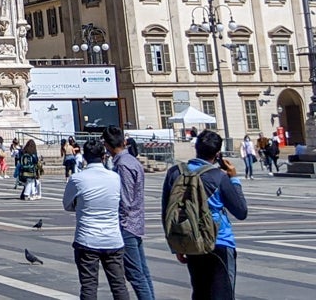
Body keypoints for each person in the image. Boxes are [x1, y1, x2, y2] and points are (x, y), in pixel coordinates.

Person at [162, 130, 248, 300]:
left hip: (190, 239)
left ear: (196, 148)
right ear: (218, 154)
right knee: (222, 294)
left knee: (200, 292)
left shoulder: (174, 172)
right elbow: (241, 211)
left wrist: (176, 245)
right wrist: (234, 179)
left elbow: (167, 211)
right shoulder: (218, 177)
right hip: (219, 241)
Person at [64, 136, 131, 300]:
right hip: (113, 239)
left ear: (85, 158)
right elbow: (121, 201)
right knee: (119, 286)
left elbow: (67, 205)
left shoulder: (77, 179)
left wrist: (81, 205)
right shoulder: (115, 177)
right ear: (103, 156)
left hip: (87, 239)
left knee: (88, 287)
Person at [103, 128, 154, 300]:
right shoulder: (132, 160)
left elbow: (125, 199)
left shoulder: (122, 164)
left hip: (127, 224)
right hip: (136, 221)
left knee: (135, 275)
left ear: (108, 145)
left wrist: (120, 220)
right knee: (143, 272)